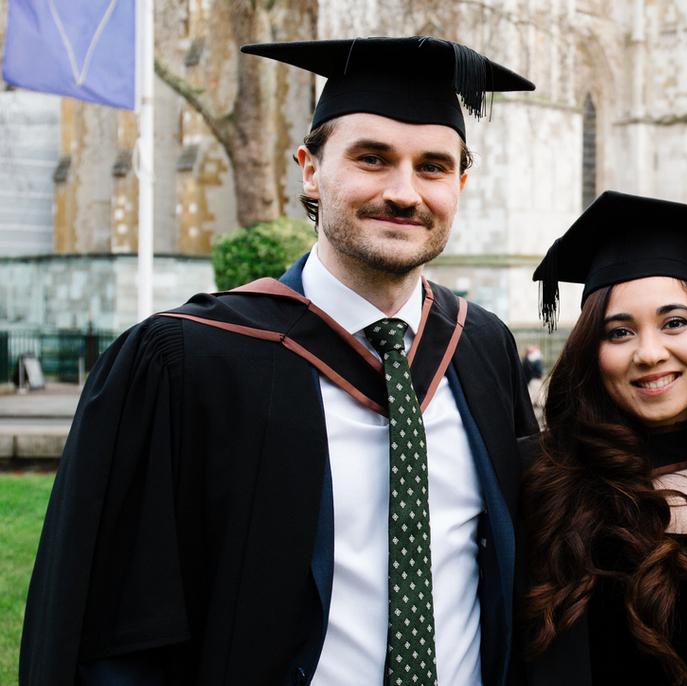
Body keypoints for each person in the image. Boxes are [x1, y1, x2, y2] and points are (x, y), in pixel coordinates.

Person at [22, 37, 538, 685]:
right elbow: (119, 629)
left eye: (432, 166)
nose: (405, 192)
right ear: (310, 169)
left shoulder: (481, 348)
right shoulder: (186, 362)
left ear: (460, 183)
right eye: (371, 158)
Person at [520, 191, 687, 686]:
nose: (649, 353)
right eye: (619, 332)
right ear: (590, 351)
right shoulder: (537, 481)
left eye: (675, 322)